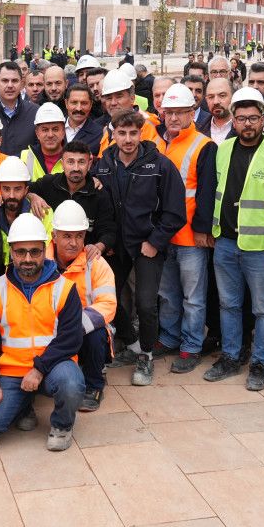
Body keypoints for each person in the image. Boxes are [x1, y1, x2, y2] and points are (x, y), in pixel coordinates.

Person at [205, 87, 264, 391]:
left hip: (261, 247)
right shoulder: (223, 150)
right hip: (225, 242)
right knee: (229, 304)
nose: (247, 124)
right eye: (242, 118)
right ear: (233, 120)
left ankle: (259, 363)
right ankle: (231, 357)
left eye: (253, 118)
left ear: (263, 120)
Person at [0, 214, 85, 450]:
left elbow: (71, 339)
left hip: (53, 367)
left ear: (45, 250)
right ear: (11, 253)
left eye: (35, 251)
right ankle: (23, 403)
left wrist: (39, 369)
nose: (28, 259)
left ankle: (62, 426)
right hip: (10, 372)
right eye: (21, 252)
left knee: (71, 384)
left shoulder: (65, 289)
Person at [92, 111, 184, 386]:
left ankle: (146, 354)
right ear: (113, 134)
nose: (128, 139)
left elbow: (175, 211)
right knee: (108, 299)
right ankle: (132, 344)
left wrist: (155, 242)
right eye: (122, 133)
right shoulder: (103, 164)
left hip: (147, 246)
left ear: (141, 133)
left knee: (145, 304)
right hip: (115, 248)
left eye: (133, 133)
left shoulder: (160, 165)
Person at [155, 83, 217, 373]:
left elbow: (206, 192)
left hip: (191, 236)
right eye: (169, 112)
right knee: (168, 293)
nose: (174, 118)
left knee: (193, 297)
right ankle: (169, 337)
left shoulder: (204, 146)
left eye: (180, 112)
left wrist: (203, 230)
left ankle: (191, 345)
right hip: (163, 235)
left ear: (193, 113)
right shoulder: (158, 144)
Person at [52, 200, 117, 412]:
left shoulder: (96, 264)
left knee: (97, 334)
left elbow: (107, 305)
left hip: (84, 330)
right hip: (49, 328)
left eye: (79, 236)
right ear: (54, 236)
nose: (74, 242)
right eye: (67, 236)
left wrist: (72, 325)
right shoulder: (41, 261)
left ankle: (94, 385)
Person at [29, 139, 117, 254]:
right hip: (51, 256)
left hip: (85, 257)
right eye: (70, 162)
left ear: (89, 164)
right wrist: (32, 196)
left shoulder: (99, 194)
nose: (76, 168)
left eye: (81, 162)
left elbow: (108, 231)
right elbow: (22, 189)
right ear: (62, 164)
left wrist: (98, 247)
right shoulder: (48, 183)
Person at [0, 62, 39, 155]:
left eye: (14, 81)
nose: (10, 85)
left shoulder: (35, 112)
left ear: (22, 84)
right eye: (5, 81)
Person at [63, 84, 104, 151]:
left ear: (91, 105)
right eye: (74, 102)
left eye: (84, 103)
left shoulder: (100, 134)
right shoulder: (54, 128)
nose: (79, 108)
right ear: (66, 103)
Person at [200, 78, 235, 144]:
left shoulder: (243, 129)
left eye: (222, 96)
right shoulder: (198, 131)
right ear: (206, 100)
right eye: (211, 97)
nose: (216, 102)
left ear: (233, 97)